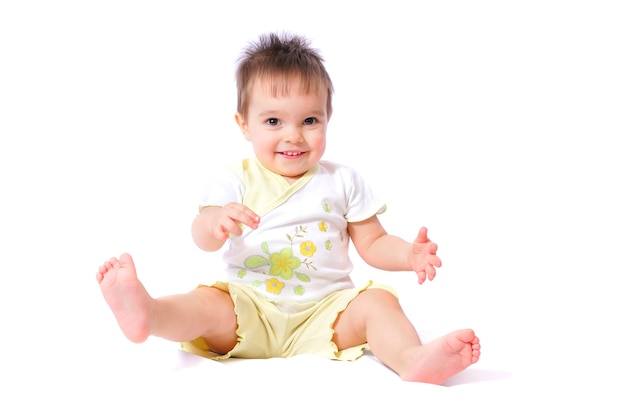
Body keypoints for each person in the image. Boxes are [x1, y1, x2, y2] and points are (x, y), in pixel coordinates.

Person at [96, 32, 480, 385]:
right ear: (244, 124)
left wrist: (408, 255)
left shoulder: (342, 180)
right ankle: (149, 314)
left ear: (328, 118)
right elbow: (201, 235)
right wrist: (215, 221)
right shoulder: (236, 179)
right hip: (249, 308)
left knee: (378, 303)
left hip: (328, 313)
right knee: (208, 304)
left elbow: (373, 242)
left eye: (310, 120)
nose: (293, 135)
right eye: (274, 121)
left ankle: (411, 359)